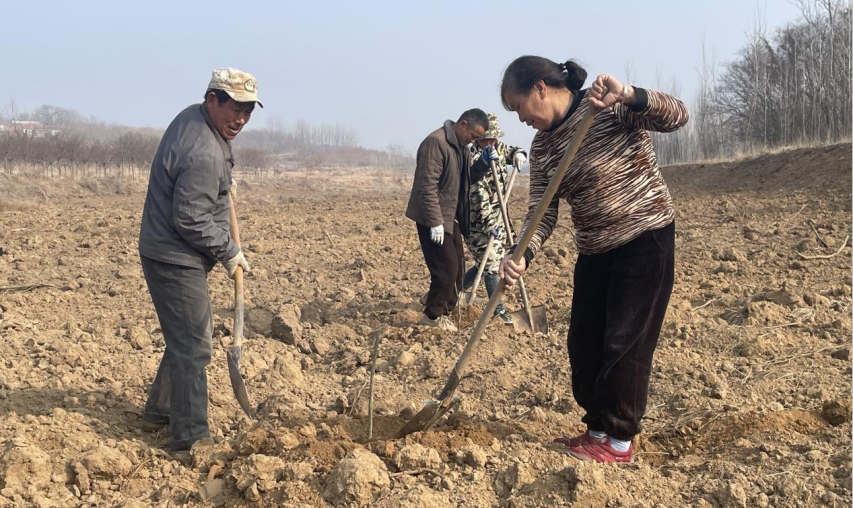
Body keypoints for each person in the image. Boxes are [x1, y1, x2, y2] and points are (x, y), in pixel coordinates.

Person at [498, 56, 689, 463]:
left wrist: (630, 95)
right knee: (584, 345)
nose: (521, 119)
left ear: (540, 88)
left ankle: (619, 443)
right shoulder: (543, 146)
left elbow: (678, 116)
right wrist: (521, 253)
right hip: (595, 249)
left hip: (644, 239)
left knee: (624, 344)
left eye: (519, 107)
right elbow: (541, 212)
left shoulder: (606, 107)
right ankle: (597, 430)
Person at [137, 68, 262, 452]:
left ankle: (160, 410)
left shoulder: (197, 119)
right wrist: (228, 250)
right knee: (194, 345)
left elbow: (202, 179)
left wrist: (222, 183)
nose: (241, 119)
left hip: (168, 247)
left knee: (185, 335)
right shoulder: (204, 150)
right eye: (235, 109)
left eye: (248, 111)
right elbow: (191, 218)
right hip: (175, 256)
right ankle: (190, 439)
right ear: (212, 100)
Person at [406, 109, 489, 332]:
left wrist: (482, 165)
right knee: (446, 268)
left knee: (458, 266)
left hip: (449, 216)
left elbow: (464, 179)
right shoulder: (436, 143)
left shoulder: (461, 148)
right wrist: (435, 222)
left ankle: (446, 310)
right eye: (473, 136)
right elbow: (427, 186)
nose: (473, 141)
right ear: (463, 124)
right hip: (432, 216)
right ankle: (432, 316)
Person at [463, 113, 527, 325]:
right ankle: (497, 311)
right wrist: (490, 224)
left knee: (487, 260)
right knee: (491, 263)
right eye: (486, 140)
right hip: (478, 223)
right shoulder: (473, 158)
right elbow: (477, 197)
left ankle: (456, 290)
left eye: (494, 139)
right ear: (478, 138)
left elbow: (510, 151)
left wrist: (519, 154)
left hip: (499, 217)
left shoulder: (497, 148)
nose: (491, 143)